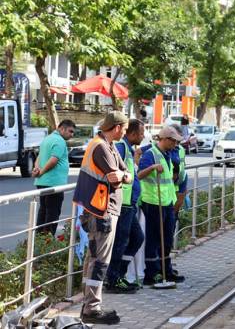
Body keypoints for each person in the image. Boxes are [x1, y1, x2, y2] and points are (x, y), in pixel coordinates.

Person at [73, 112, 130, 325]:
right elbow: (116, 180)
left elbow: (124, 174)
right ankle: (92, 308)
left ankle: (90, 305)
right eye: (124, 128)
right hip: (101, 211)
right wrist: (123, 177)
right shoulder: (101, 147)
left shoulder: (108, 145)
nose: (125, 132)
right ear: (116, 127)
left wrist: (124, 176)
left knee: (94, 260)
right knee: (99, 262)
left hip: (101, 210)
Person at [138, 126, 185, 285]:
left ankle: (166, 270)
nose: (175, 144)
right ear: (164, 139)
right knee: (154, 239)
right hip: (153, 202)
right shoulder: (150, 155)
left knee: (166, 239)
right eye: (173, 141)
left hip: (166, 202)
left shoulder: (168, 154)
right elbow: (139, 175)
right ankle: (152, 273)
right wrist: (152, 168)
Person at [105, 119, 146, 294]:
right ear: (132, 133)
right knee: (120, 242)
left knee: (136, 238)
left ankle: (119, 274)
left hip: (130, 203)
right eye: (142, 133)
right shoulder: (121, 147)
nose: (144, 137)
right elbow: (114, 173)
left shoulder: (129, 150)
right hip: (123, 204)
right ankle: (113, 279)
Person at [33, 119, 75, 235]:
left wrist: (37, 170)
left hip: (43, 182)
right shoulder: (60, 141)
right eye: (70, 131)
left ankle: (39, 238)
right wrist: (40, 172)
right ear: (62, 129)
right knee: (52, 213)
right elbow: (53, 160)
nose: (72, 135)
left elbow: (39, 158)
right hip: (54, 183)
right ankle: (47, 241)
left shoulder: (47, 139)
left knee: (44, 210)